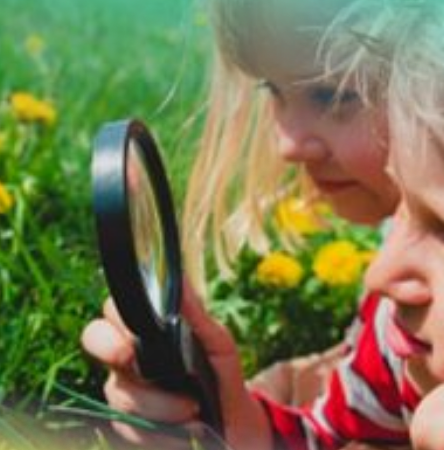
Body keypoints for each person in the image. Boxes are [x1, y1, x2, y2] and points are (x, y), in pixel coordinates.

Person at [82, 0, 444, 448]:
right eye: (272, 90)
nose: (285, 145)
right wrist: (233, 415)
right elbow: (326, 433)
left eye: (334, 94)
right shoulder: (395, 335)